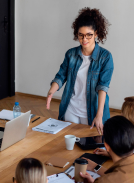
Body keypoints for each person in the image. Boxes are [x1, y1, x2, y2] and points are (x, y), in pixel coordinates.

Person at [46, 7, 113, 135]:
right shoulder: (71, 54)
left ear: (96, 33)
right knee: (68, 142)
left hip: (92, 110)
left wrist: (99, 115)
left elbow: (102, 88)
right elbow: (61, 76)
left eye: (89, 35)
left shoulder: (105, 57)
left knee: (89, 145)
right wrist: (51, 91)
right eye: (81, 35)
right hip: (70, 108)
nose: (84, 39)